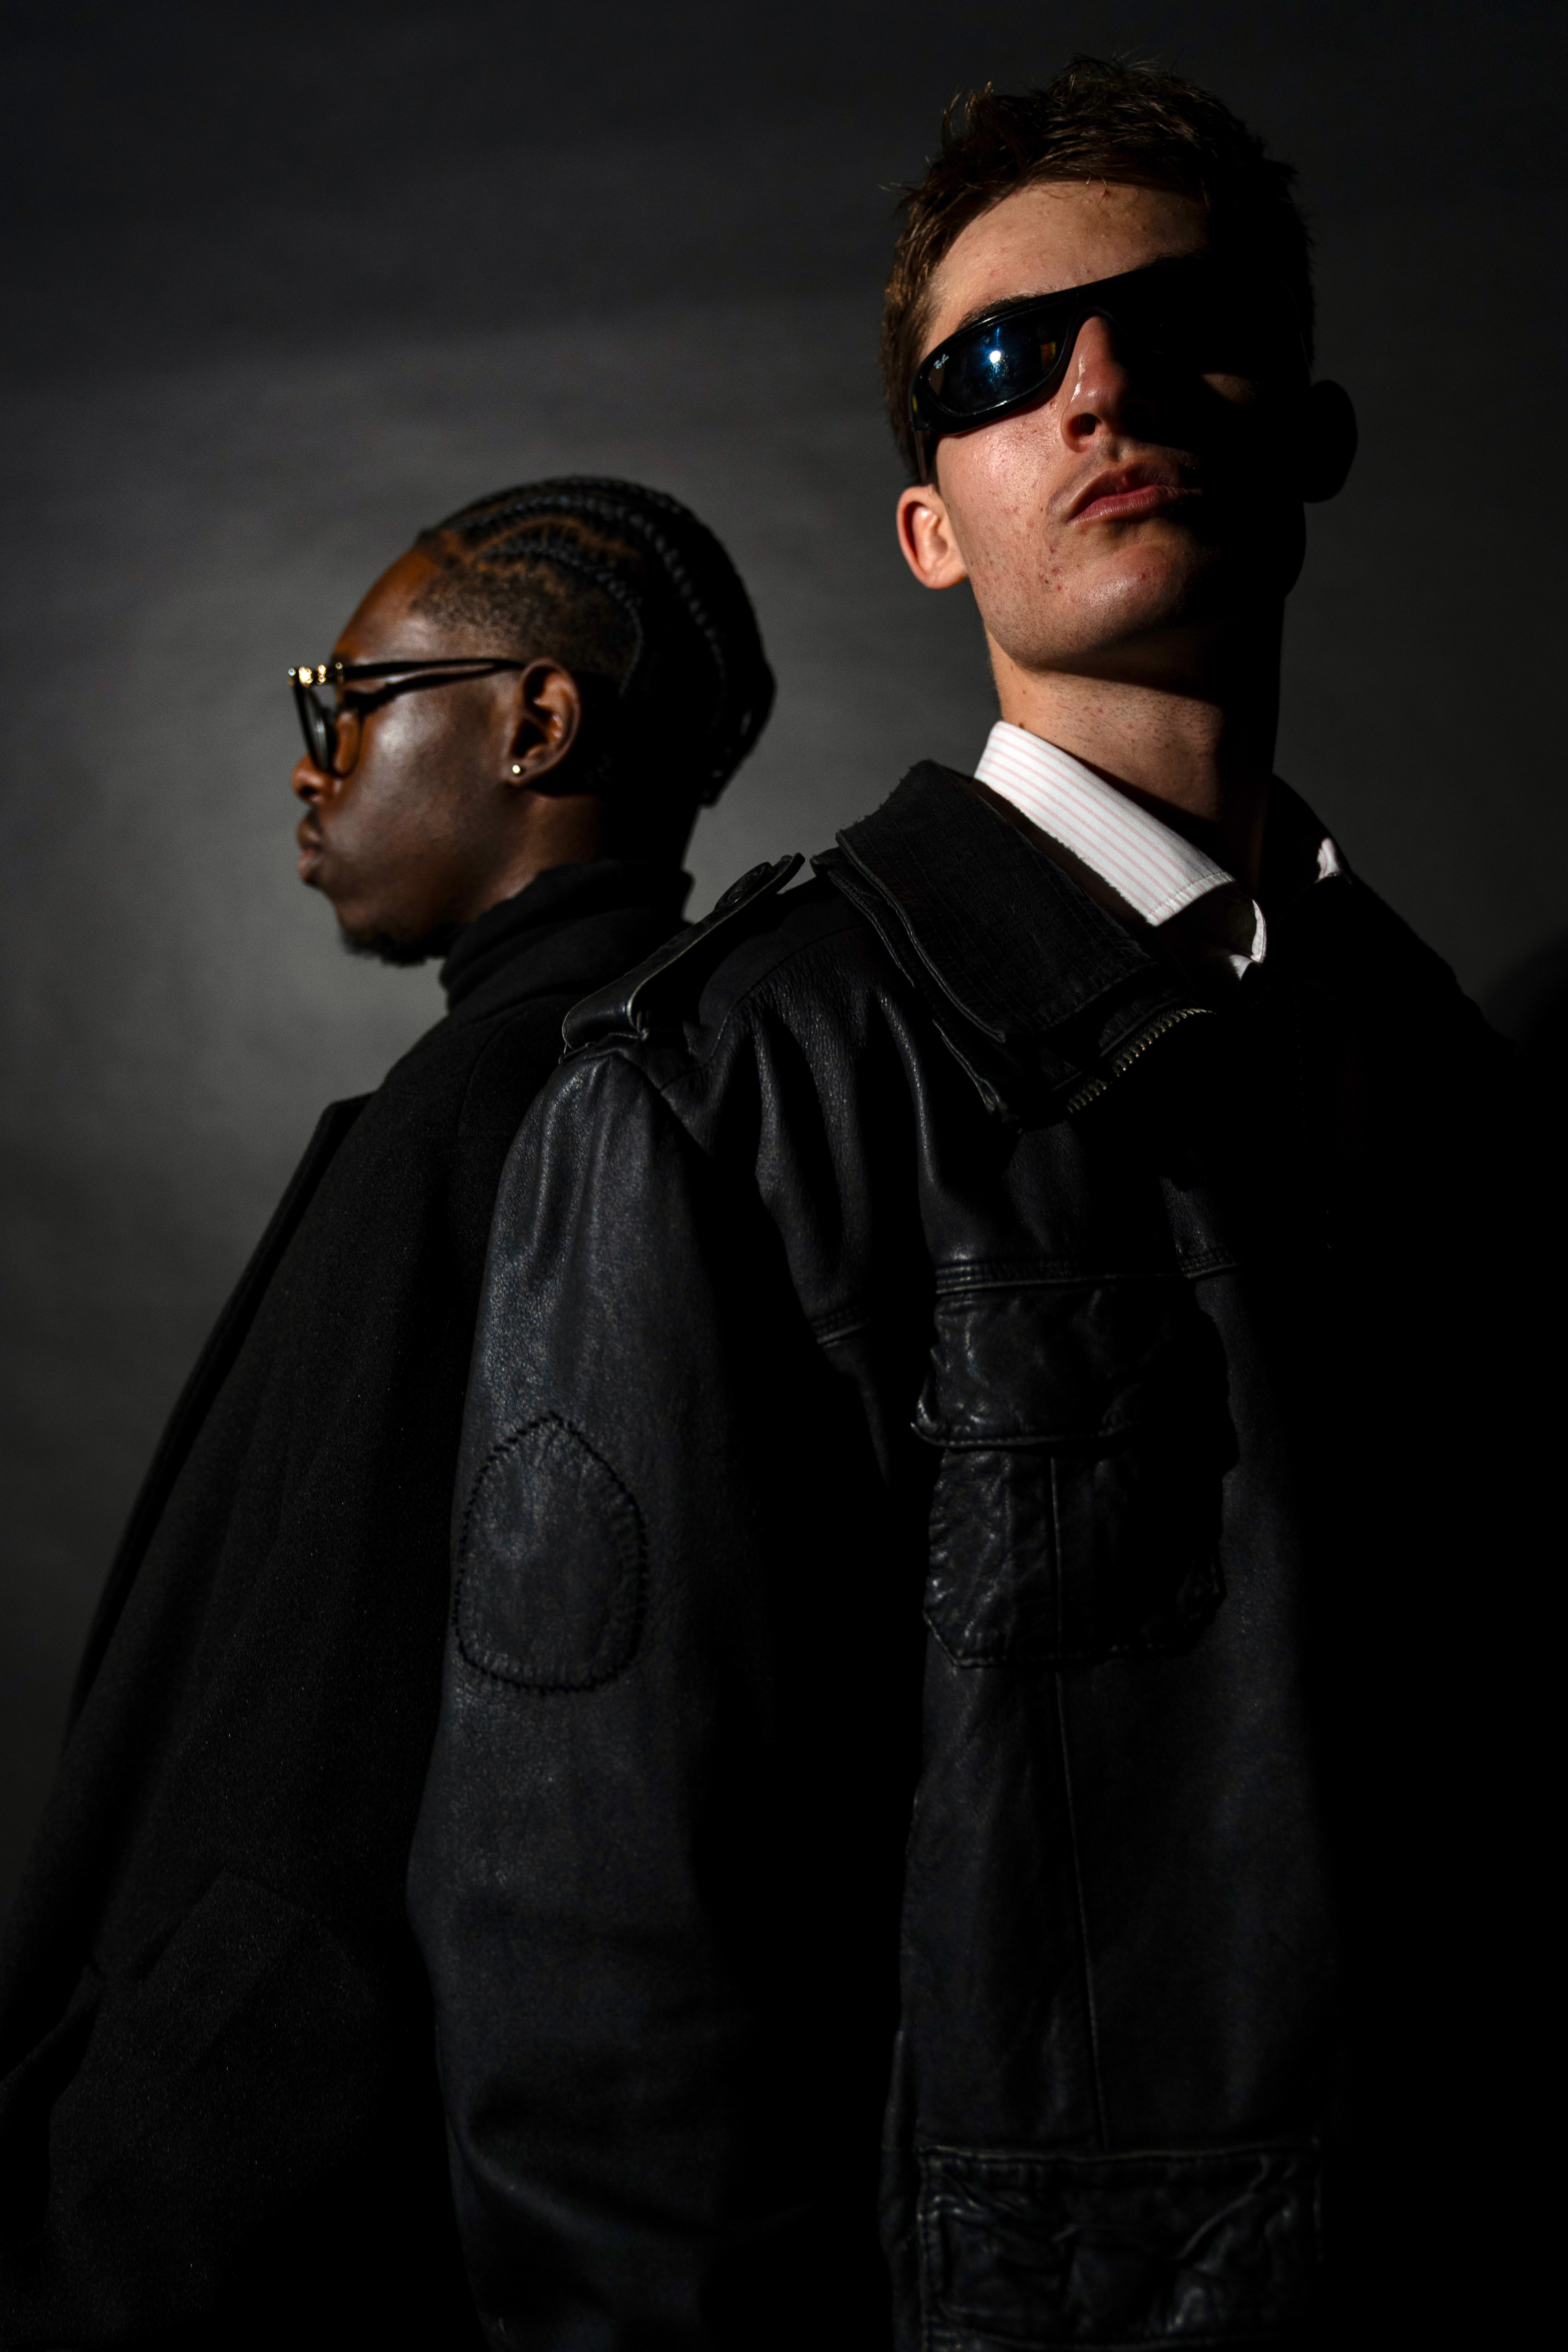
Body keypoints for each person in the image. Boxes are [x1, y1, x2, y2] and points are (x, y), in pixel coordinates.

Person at [410, 61, 1537, 2352]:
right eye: (1004, 362)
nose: (1098, 387)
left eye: (1176, 325)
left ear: (1309, 433)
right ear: (934, 524)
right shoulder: (719, 1091)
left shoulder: (1441, 1074)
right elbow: (596, 1997)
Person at [0, 478, 773, 2348]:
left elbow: (312, 1799)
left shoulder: (487, 1122)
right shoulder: (689, 1076)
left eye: (346, 701)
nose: (312, 761)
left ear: (536, 724)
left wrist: (99, 2244)